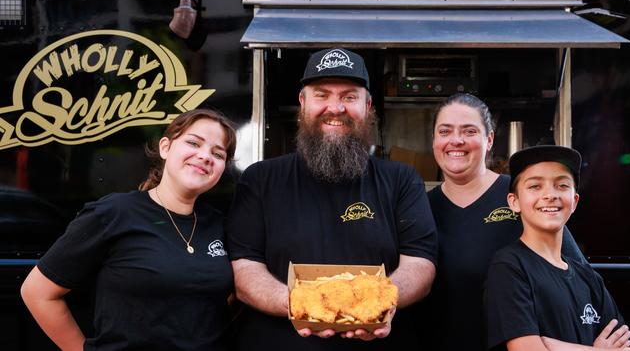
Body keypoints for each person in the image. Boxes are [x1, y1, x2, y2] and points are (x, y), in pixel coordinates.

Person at [226, 48, 437, 351]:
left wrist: (381, 304)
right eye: (321, 95)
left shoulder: (402, 179)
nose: (335, 108)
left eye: (349, 97)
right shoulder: (260, 179)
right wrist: (307, 307)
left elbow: (420, 264)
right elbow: (245, 271)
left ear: (367, 106)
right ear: (303, 103)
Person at [20, 108, 237, 350]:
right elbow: (37, 292)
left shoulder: (219, 225)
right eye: (193, 143)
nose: (205, 156)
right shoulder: (113, 213)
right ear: (165, 147)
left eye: (217, 154)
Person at [420, 93, 587, 351]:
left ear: (489, 140)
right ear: (434, 141)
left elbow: (576, 275)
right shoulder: (421, 208)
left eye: (469, 131)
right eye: (445, 131)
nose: (456, 140)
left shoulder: (524, 197)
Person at [485, 145, 630, 351]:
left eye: (562, 185)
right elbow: (526, 349)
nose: (550, 195)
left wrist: (553, 346)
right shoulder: (510, 267)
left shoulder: (589, 278)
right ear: (514, 202)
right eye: (535, 186)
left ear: (575, 201)